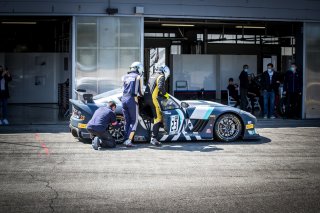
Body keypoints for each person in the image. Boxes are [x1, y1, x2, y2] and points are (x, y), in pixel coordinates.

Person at [144, 64, 170, 146]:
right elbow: (160, 87)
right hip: (153, 100)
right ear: (164, 71)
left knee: (153, 118)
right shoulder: (161, 76)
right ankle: (154, 138)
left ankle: (151, 135)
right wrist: (165, 95)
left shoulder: (153, 75)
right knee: (158, 118)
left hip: (146, 99)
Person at [121, 61, 144, 147]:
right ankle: (129, 140)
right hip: (132, 99)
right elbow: (141, 92)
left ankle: (125, 139)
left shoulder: (124, 76)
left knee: (127, 121)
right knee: (134, 121)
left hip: (123, 99)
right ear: (138, 68)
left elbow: (122, 88)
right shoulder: (138, 76)